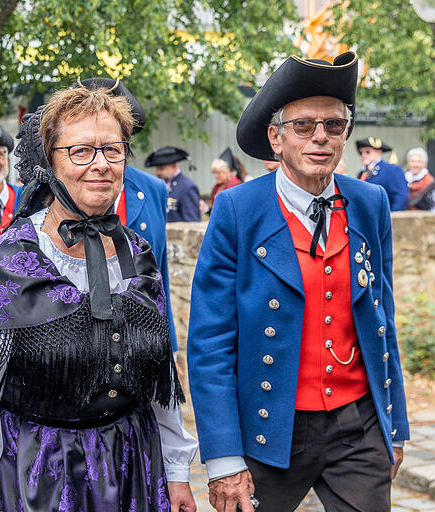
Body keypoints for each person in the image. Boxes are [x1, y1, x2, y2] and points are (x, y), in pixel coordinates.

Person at [0, 85, 197, 512]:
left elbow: (159, 377)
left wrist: (176, 472)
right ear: (51, 163)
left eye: (112, 151)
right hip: (38, 473)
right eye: (81, 151)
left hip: (130, 464)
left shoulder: (138, 256)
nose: (101, 165)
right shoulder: (5, 266)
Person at [187, 51, 409, 512]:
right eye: (304, 125)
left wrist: (395, 427)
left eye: (334, 125)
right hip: (269, 428)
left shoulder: (370, 202)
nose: (320, 137)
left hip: (359, 426)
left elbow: (381, 319)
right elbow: (210, 342)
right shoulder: (237, 211)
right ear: (276, 138)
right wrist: (224, 458)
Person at [78, 77, 182, 354]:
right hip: (77, 344)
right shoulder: (53, 188)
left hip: (143, 341)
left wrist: (168, 346)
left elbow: (161, 277)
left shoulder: (153, 189)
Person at [146, 146, 201, 223]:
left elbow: (192, 221)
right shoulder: (159, 185)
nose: (157, 172)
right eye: (157, 169)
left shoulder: (187, 187)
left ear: (174, 166)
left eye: (161, 168)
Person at [356, 137, 408, 211]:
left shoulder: (391, 169)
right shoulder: (362, 172)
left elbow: (400, 197)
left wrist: (391, 217)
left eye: (367, 152)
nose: (363, 155)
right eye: (361, 153)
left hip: (383, 217)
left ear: (379, 152)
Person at [405, 147, 435, 211]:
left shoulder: (430, 181)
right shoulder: (403, 178)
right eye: (412, 161)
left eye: (418, 162)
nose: (415, 165)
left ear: (424, 164)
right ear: (408, 163)